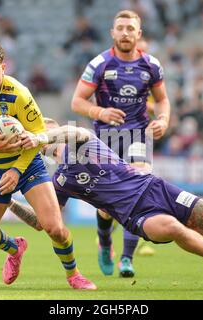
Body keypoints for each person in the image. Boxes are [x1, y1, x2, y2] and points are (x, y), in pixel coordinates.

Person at [11, 120, 203, 290]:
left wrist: (42, 136)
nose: (44, 136)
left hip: (159, 189)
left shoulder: (82, 140)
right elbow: (41, 221)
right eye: (40, 134)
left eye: (47, 129)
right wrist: (9, 201)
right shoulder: (59, 181)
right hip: (135, 215)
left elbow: (72, 131)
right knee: (174, 228)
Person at [0, 41, 96, 290]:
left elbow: (39, 134)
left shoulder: (19, 93)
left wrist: (17, 169)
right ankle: (15, 248)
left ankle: (74, 275)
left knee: (55, 228)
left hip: (27, 165)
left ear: (3, 67)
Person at [71, 10, 171, 277]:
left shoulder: (151, 65)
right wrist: (100, 112)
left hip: (138, 135)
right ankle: (105, 243)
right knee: (106, 208)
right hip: (106, 139)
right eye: (121, 28)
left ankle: (126, 259)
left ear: (139, 34)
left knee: (137, 192)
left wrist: (163, 119)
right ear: (112, 33)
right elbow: (77, 101)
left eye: (130, 28)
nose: (125, 33)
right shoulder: (99, 64)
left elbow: (162, 100)